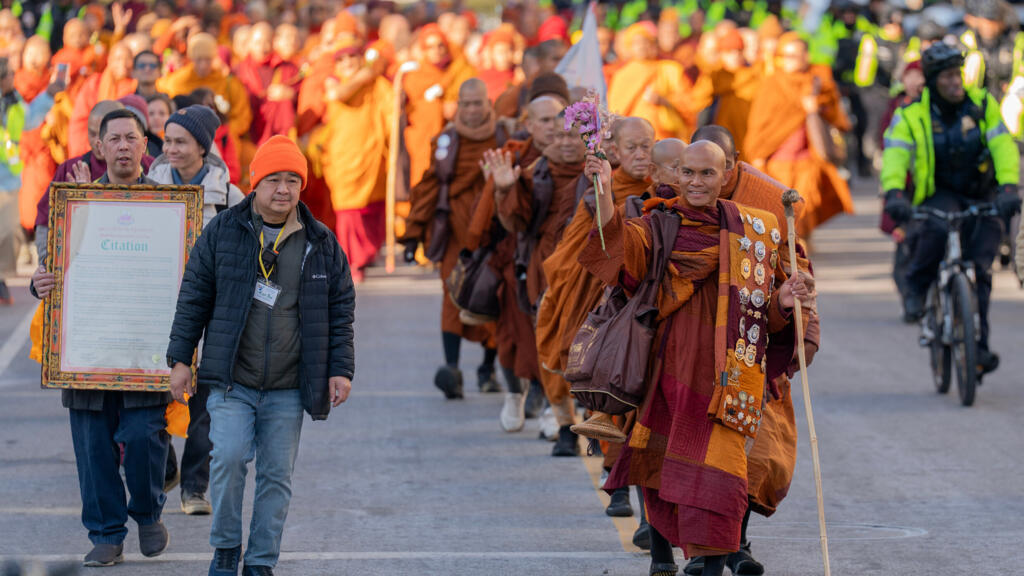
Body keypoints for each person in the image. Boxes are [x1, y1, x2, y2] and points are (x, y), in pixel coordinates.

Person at [581, 140, 811, 576]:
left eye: (707, 173)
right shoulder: (658, 224)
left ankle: (713, 565)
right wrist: (605, 191)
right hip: (668, 368)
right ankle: (662, 557)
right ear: (675, 175)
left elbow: (765, 314)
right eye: (688, 172)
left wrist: (783, 300)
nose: (696, 182)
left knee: (724, 478)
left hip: (729, 375)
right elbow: (619, 251)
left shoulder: (754, 230)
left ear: (726, 177)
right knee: (660, 463)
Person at [166, 135, 355, 576]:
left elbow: (341, 308)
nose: (283, 189)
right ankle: (226, 547)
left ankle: (260, 561)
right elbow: (193, 297)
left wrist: (340, 369)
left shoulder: (321, 242)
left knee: (276, 476)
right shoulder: (223, 231)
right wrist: (180, 359)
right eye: (273, 179)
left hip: (289, 386)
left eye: (292, 180)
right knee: (228, 458)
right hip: (232, 379)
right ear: (255, 183)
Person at [33, 108, 169, 568]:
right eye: (115, 139)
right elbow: (53, 262)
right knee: (93, 447)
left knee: (144, 436)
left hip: (143, 346)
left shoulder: (169, 208)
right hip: (87, 344)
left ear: (145, 147)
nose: (124, 146)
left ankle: (147, 511)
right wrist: (39, 281)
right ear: (99, 147)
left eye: (132, 138)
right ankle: (107, 533)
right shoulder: (77, 203)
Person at [684, 124, 822, 576]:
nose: (704, 181)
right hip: (690, 355)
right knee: (693, 454)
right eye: (694, 173)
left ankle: (736, 543)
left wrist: (800, 320)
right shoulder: (672, 208)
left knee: (752, 454)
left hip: (749, 350)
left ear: (733, 167)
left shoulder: (766, 209)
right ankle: (698, 549)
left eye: (716, 171)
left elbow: (793, 272)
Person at [882, 43, 1020, 372]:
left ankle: (978, 351)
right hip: (939, 192)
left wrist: (1009, 187)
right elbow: (896, 154)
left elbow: (1002, 144)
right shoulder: (912, 112)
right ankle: (916, 288)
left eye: (957, 74)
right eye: (946, 76)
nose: (955, 82)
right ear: (932, 81)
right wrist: (894, 193)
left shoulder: (982, 104)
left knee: (981, 271)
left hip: (980, 192)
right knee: (934, 231)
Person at [533, 117, 654, 442]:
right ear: (615, 150)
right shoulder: (596, 190)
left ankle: (604, 433)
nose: (640, 154)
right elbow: (570, 250)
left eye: (646, 146)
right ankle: (567, 424)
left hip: (637, 287)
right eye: (632, 147)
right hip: (592, 284)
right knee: (581, 347)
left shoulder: (660, 189)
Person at [149, 104, 243, 516]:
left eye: (181, 142)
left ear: (202, 147)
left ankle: (194, 487)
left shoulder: (229, 197)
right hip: (157, 308)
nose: (171, 149)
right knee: (155, 398)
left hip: (211, 312)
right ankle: (166, 467)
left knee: (204, 402)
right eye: (167, 141)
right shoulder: (147, 187)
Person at [485, 97, 586, 451]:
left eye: (574, 136)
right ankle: (561, 420)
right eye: (559, 136)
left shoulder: (603, 173)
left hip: (590, 275)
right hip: (547, 272)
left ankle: (585, 417)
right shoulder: (536, 173)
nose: (566, 143)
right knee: (551, 346)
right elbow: (517, 221)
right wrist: (504, 188)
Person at [466, 92, 568, 439]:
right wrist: (500, 189)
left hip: (562, 261)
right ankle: (514, 394)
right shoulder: (512, 157)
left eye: (558, 119)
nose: (553, 127)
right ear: (529, 124)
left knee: (555, 335)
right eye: (545, 120)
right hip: (517, 260)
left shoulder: (577, 159)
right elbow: (493, 219)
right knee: (513, 335)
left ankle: (553, 405)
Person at [401, 78, 501, 399]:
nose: (471, 110)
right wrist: (413, 235)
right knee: (452, 296)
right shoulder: (447, 139)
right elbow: (429, 187)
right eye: (465, 104)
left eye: (477, 103)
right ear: (457, 106)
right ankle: (452, 368)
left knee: (494, 296)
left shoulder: (503, 136)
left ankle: (487, 368)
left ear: (488, 104)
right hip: (455, 234)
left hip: (494, 233)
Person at [744, 33, 854, 240]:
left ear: (806, 56)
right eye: (785, 56)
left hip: (808, 158)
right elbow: (759, 123)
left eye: (794, 56)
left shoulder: (817, 82)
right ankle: (789, 247)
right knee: (780, 210)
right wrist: (757, 153)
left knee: (806, 208)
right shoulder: (771, 84)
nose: (789, 61)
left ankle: (800, 246)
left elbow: (836, 115)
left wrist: (816, 106)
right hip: (778, 160)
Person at [319, 40, 393, 283]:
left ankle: (367, 255)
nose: (347, 63)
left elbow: (392, 109)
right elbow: (337, 95)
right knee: (348, 210)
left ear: (361, 59)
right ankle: (352, 261)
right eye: (341, 59)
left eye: (352, 57)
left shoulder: (377, 84)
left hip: (372, 155)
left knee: (372, 207)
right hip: (343, 158)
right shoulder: (334, 81)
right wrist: (364, 76)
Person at [0, 56, 58, 305]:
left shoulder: (13, 100)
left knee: (8, 232)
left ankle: (1, 278)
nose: (12, 79)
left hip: (8, 178)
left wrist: (49, 95)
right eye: (8, 75)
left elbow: (30, 119)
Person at [403, 24, 476, 187]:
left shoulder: (458, 69)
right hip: (423, 139)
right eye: (430, 47)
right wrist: (436, 106)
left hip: (452, 138)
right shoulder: (415, 75)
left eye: (440, 45)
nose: (436, 50)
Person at [607, 22, 696, 140]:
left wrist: (663, 101)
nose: (641, 46)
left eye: (645, 41)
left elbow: (688, 105)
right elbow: (614, 112)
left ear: (653, 44)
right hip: (632, 139)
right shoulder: (622, 75)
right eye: (636, 43)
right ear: (629, 47)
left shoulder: (669, 69)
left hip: (664, 138)